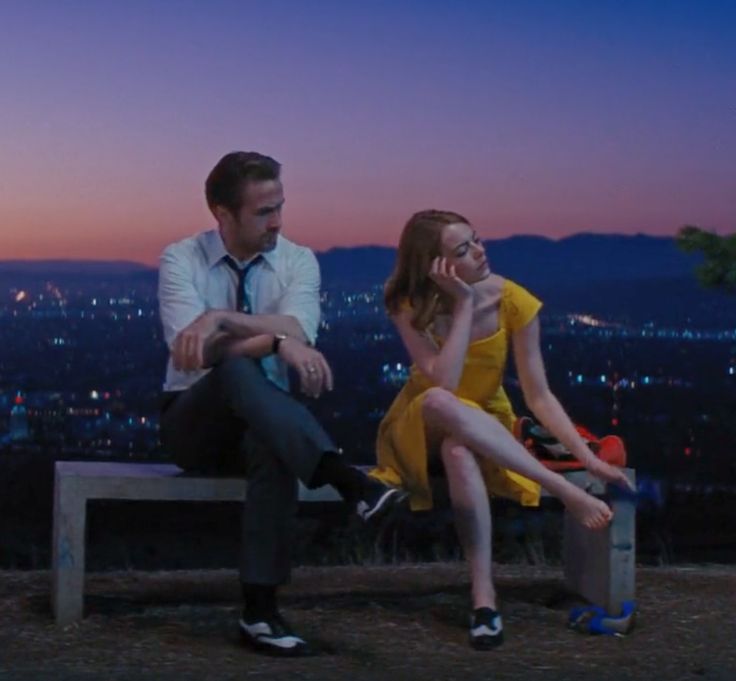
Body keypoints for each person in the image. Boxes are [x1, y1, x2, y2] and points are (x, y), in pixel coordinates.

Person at [158, 151, 405, 657]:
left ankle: (260, 612)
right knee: (230, 369)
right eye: (263, 212)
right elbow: (198, 352)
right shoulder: (181, 259)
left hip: (266, 424)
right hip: (193, 422)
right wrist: (272, 343)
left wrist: (220, 318)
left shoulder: (297, 260)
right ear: (223, 215)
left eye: (280, 207)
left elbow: (301, 330)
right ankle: (348, 481)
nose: (278, 221)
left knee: (269, 441)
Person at [369, 209, 633, 650]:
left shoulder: (513, 300)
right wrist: (464, 304)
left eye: (476, 240)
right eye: (462, 250)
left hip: (484, 424)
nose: (479, 252)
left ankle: (483, 600)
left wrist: (588, 460)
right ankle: (563, 491)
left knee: (459, 451)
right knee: (438, 403)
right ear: (435, 266)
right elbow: (444, 384)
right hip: (418, 425)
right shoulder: (406, 300)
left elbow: (539, 395)